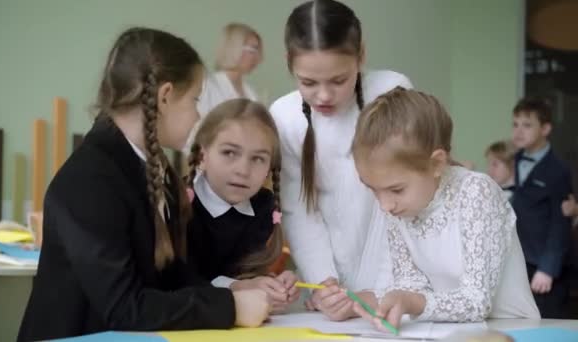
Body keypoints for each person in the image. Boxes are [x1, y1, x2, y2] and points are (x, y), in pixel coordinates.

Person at [17, 27, 269, 342]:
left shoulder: (149, 167)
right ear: (165, 96)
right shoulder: (90, 180)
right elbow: (125, 307)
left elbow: (167, 275)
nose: (198, 114)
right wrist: (230, 307)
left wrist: (230, 287)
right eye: (195, 100)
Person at [351, 87, 539, 331]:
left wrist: (412, 302)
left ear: (437, 163)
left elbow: (476, 302)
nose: (384, 205)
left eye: (396, 190)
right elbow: (411, 285)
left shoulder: (477, 193)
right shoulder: (399, 206)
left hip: (511, 331)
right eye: (373, 190)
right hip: (445, 332)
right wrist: (379, 299)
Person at [270, 0, 412, 321]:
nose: (323, 96)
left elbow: (405, 206)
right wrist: (324, 285)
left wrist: (381, 288)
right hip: (329, 286)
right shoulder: (283, 117)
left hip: (397, 279)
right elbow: (299, 210)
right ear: (288, 63)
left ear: (361, 55)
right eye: (308, 82)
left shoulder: (392, 91)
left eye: (338, 80)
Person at [185, 99, 300, 313]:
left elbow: (242, 275)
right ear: (202, 156)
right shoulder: (179, 205)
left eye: (258, 159)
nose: (243, 170)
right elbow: (176, 282)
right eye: (229, 153)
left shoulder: (263, 207)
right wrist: (238, 288)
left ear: (269, 168)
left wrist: (273, 284)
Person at [511, 97, 573, 318]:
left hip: (545, 265)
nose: (518, 131)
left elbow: (560, 223)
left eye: (527, 125)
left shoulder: (558, 170)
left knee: (546, 320)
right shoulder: (516, 159)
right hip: (521, 257)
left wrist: (548, 268)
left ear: (545, 129)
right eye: (515, 124)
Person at [197, 23, 263, 117]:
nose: (259, 58)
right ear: (234, 48)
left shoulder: (251, 93)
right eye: (253, 49)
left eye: (258, 51)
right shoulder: (208, 87)